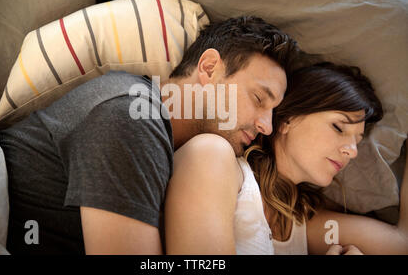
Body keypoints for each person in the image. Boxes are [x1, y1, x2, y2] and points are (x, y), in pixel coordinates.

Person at [0, 16, 301, 254]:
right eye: (260, 99)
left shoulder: (158, 139)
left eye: (273, 112)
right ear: (209, 68)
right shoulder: (132, 115)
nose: (267, 127)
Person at [165, 62, 408, 255]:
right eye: (338, 127)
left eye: (357, 140)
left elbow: (401, 244)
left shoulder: (305, 224)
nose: (352, 151)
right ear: (288, 119)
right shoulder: (215, 157)